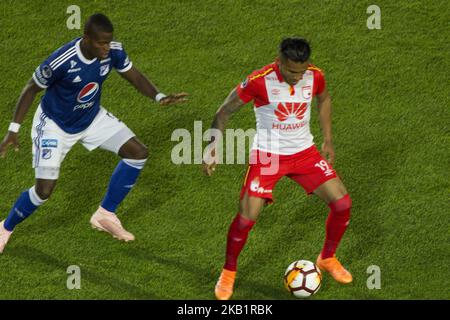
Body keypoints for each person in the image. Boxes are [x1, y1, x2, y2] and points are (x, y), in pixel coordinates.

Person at [0, 13, 188, 252]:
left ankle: (104, 214)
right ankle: (5, 227)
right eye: (101, 43)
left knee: (137, 153)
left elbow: (133, 76)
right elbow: (30, 89)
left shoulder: (113, 52)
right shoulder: (62, 61)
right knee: (44, 190)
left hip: (91, 118)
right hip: (54, 125)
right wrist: (13, 130)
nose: (106, 48)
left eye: (109, 42)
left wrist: (159, 96)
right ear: (86, 38)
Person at [203, 38, 353, 300]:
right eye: (291, 71)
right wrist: (212, 146)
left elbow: (324, 98)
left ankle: (327, 258)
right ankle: (228, 273)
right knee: (247, 217)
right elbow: (225, 111)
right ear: (279, 60)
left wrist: (328, 139)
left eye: (301, 71)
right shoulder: (259, 80)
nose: (297, 77)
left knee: (342, 204)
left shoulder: (315, 76)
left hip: (305, 154)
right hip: (268, 157)